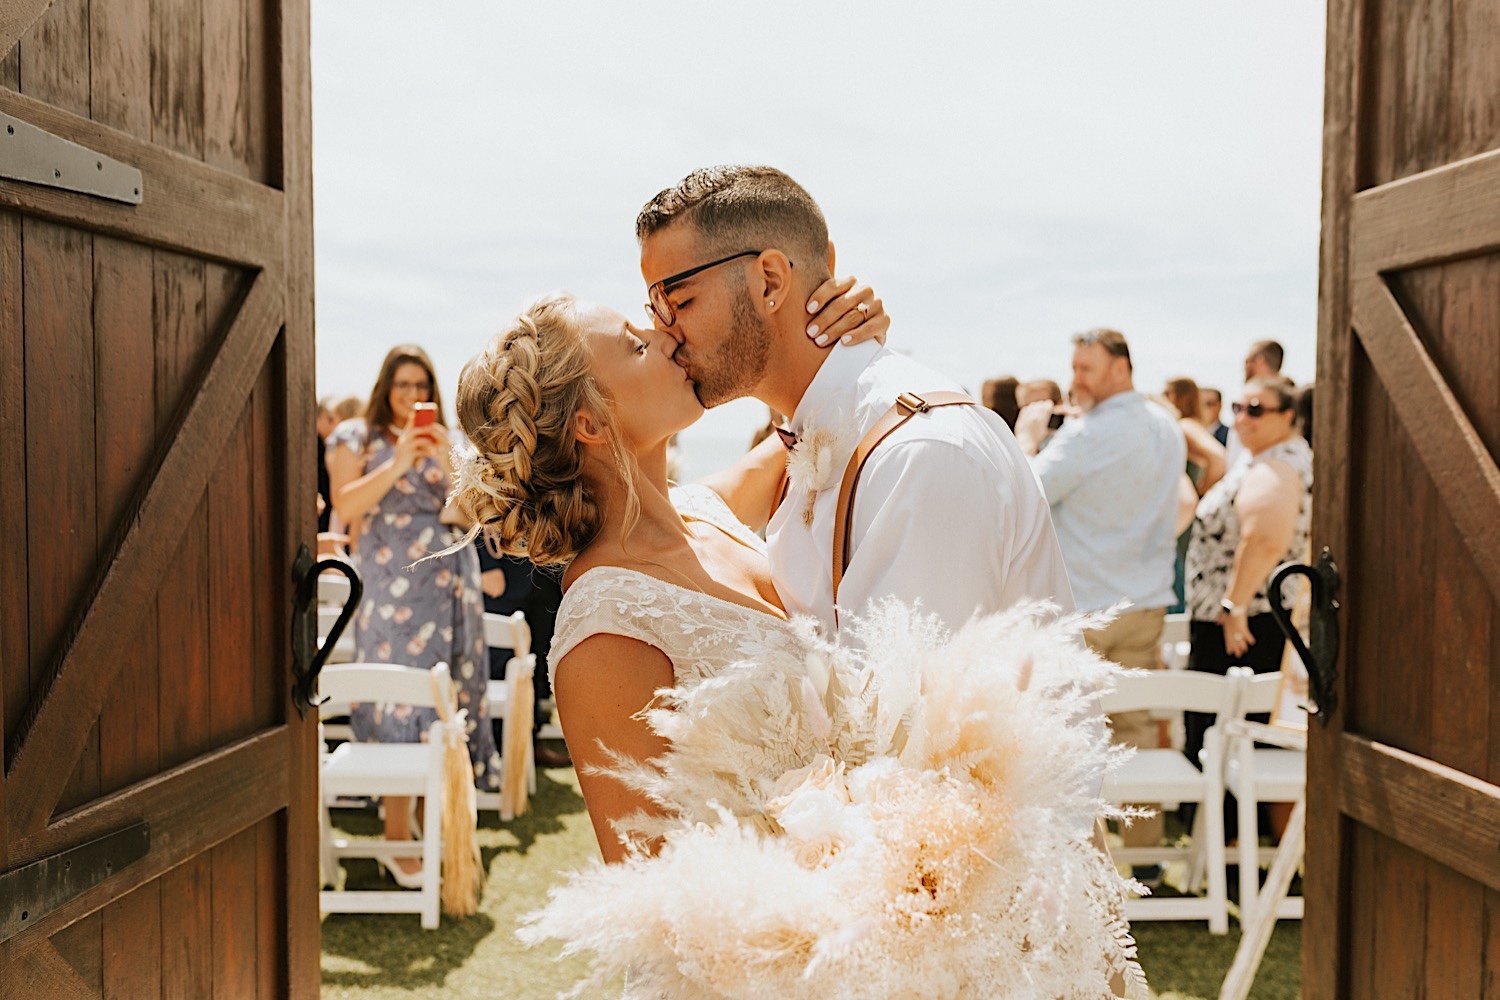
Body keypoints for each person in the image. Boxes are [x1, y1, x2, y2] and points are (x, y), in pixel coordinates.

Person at [637, 165, 1074, 638]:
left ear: (769, 281)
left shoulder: (919, 453)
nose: (664, 333)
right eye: (654, 308)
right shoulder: (819, 435)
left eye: (678, 303)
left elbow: (907, 708)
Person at [326, 345, 501, 885]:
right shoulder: (356, 437)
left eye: (422, 386)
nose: (413, 396)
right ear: (386, 387)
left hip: (450, 582)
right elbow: (347, 507)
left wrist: (456, 466)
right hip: (391, 584)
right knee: (397, 699)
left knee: (447, 700)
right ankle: (395, 836)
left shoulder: (450, 443)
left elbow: (472, 514)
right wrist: (401, 459)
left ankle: (431, 827)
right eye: (403, 385)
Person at [1014, 329, 1185, 868]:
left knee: (1066, 730)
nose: (1074, 380)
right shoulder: (1167, 428)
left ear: (1120, 369)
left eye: (1086, 369)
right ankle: (1148, 856)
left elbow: (1025, 494)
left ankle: (1074, 859)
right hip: (1147, 602)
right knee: (1135, 728)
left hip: (1085, 605)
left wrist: (1027, 437)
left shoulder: (1088, 435)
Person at [1182, 376, 1313, 794]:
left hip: (1245, 626)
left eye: (1256, 409)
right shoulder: (1263, 457)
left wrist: (1233, 606)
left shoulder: (1278, 464)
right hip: (1238, 619)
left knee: (1229, 735)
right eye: (1237, 408)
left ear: (1289, 416)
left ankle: (1232, 846)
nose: (1242, 418)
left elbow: (1264, 538)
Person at [474, 538, 570, 768]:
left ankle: (529, 741)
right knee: (501, 659)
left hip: (544, 566)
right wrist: (483, 564)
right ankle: (495, 748)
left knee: (539, 657)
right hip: (500, 565)